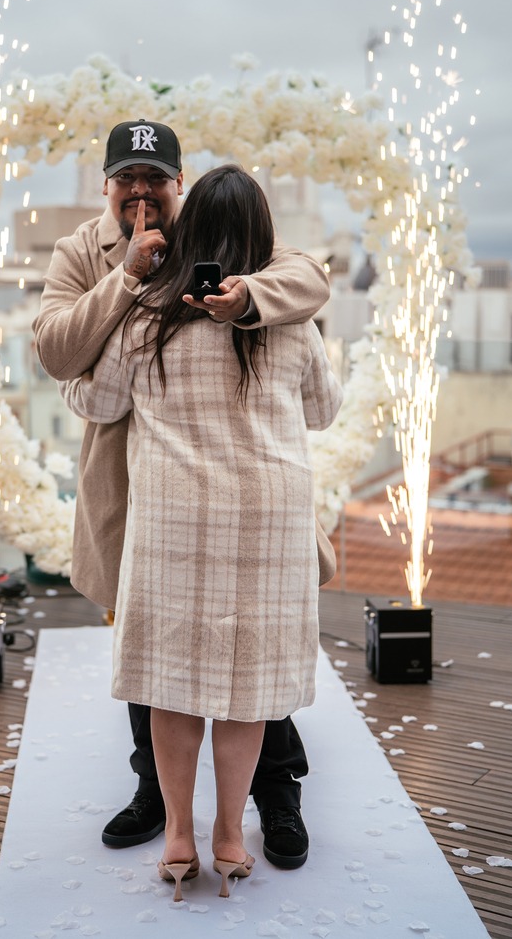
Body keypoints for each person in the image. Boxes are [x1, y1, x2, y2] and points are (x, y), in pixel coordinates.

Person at [32, 119, 332, 871]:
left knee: (226, 660)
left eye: (154, 179)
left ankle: (271, 795)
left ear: (179, 186)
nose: (141, 191)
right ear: (106, 186)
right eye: (126, 178)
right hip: (138, 489)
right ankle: (171, 805)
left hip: (186, 495)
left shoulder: (240, 266)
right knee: (178, 662)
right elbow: (56, 352)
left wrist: (246, 298)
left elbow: (311, 278)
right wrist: (129, 277)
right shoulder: (82, 254)